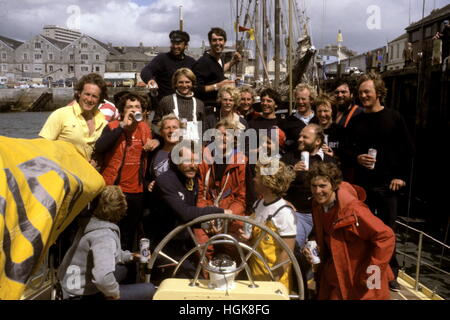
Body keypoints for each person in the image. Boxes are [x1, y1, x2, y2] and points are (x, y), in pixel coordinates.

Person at [343, 73, 415, 292]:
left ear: (379, 93)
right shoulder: (356, 121)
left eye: (367, 92)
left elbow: (408, 151)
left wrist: (400, 177)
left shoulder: (394, 117)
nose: (363, 96)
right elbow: (344, 149)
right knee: (363, 230)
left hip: (386, 186)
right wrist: (356, 157)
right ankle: (366, 270)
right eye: (361, 92)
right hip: (362, 186)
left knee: (387, 231)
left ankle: (391, 273)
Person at [305, 162, 395, 300]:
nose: (317, 191)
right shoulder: (317, 205)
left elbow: (386, 236)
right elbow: (321, 232)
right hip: (336, 274)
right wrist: (312, 243)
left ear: (334, 186)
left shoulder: (355, 210)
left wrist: (372, 276)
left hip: (362, 277)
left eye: (323, 186)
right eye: (314, 186)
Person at [57, 185, 156, 300]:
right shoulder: (104, 236)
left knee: (124, 269)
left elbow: (110, 254)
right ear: (121, 210)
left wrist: (132, 256)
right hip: (80, 295)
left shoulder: (90, 223)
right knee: (150, 289)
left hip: (69, 284)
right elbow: (102, 277)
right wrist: (114, 294)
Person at [152, 141, 232, 275]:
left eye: (196, 161)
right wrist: (219, 212)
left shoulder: (191, 179)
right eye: (188, 161)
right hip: (164, 249)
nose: (193, 166)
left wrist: (206, 224)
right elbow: (185, 213)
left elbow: (184, 215)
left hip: (184, 245)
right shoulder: (165, 181)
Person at [95, 92, 159, 251]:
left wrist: (156, 141)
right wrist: (123, 125)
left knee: (129, 234)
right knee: (109, 232)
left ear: (142, 111)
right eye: (129, 107)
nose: (133, 109)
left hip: (136, 191)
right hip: (113, 189)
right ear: (122, 111)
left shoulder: (145, 128)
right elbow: (100, 146)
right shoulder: (113, 126)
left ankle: (127, 269)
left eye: (137, 107)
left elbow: (164, 137)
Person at [196, 120, 247, 260]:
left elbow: (242, 198)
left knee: (234, 244)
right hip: (209, 212)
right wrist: (209, 216)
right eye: (218, 134)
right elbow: (200, 195)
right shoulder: (204, 160)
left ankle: (234, 275)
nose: (222, 138)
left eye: (226, 135)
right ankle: (205, 277)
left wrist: (225, 217)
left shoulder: (241, 162)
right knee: (200, 242)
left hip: (231, 214)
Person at [281, 123, 336, 252]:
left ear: (317, 141)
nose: (300, 139)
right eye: (300, 136)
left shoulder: (329, 161)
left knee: (321, 253)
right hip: (298, 214)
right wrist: (290, 172)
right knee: (291, 249)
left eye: (305, 137)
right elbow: (271, 182)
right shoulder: (289, 157)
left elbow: (337, 189)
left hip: (323, 215)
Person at [245, 159, 296, 292]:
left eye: (257, 176)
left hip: (274, 282)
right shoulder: (258, 204)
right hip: (255, 275)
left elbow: (287, 253)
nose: (254, 180)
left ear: (267, 182)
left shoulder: (284, 213)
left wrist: (273, 281)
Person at [39, 73, 108, 162]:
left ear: (100, 99)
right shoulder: (61, 115)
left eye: (94, 96)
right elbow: (42, 147)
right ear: (79, 93)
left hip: (88, 174)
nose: (89, 99)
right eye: (87, 94)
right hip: (62, 173)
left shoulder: (103, 122)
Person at [192, 27, 242, 109]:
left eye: (220, 40)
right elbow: (196, 89)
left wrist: (233, 62)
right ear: (210, 42)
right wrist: (218, 85)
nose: (218, 43)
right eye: (214, 40)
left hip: (219, 107)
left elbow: (218, 71)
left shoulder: (219, 59)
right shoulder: (202, 63)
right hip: (207, 108)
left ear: (224, 42)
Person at [140, 30, 195, 102]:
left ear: (186, 45)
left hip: (185, 102)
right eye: (173, 43)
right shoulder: (162, 59)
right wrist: (150, 80)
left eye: (178, 44)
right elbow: (146, 70)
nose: (175, 46)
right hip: (163, 102)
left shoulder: (191, 62)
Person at [153, 68, 206, 139]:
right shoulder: (166, 101)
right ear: (175, 84)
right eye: (180, 82)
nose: (184, 85)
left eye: (187, 82)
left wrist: (202, 145)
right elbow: (155, 124)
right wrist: (165, 137)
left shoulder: (199, 104)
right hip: (171, 145)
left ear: (192, 83)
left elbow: (203, 128)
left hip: (193, 146)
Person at [282, 83, 318, 151]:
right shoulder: (289, 122)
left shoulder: (318, 120)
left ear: (311, 100)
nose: (300, 102)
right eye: (298, 99)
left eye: (303, 99)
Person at [315, 93, 345, 161]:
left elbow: (347, 156)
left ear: (332, 111)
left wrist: (334, 155)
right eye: (319, 111)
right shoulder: (312, 131)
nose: (322, 114)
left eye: (326, 111)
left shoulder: (341, 131)